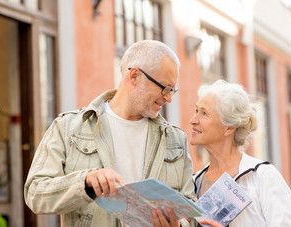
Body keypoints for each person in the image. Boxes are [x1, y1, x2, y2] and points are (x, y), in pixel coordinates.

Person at [24, 40, 196, 227]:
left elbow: (192, 213)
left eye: (173, 90)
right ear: (134, 76)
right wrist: (85, 181)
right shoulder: (68, 127)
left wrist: (179, 225)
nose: (169, 98)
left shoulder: (176, 140)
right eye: (165, 88)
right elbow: (35, 193)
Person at [190, 80, 291, 227]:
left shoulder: (263, 177)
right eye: (196, 110)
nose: (193, 120)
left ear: (229, 127)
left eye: (204, 114)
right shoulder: (195, 182)